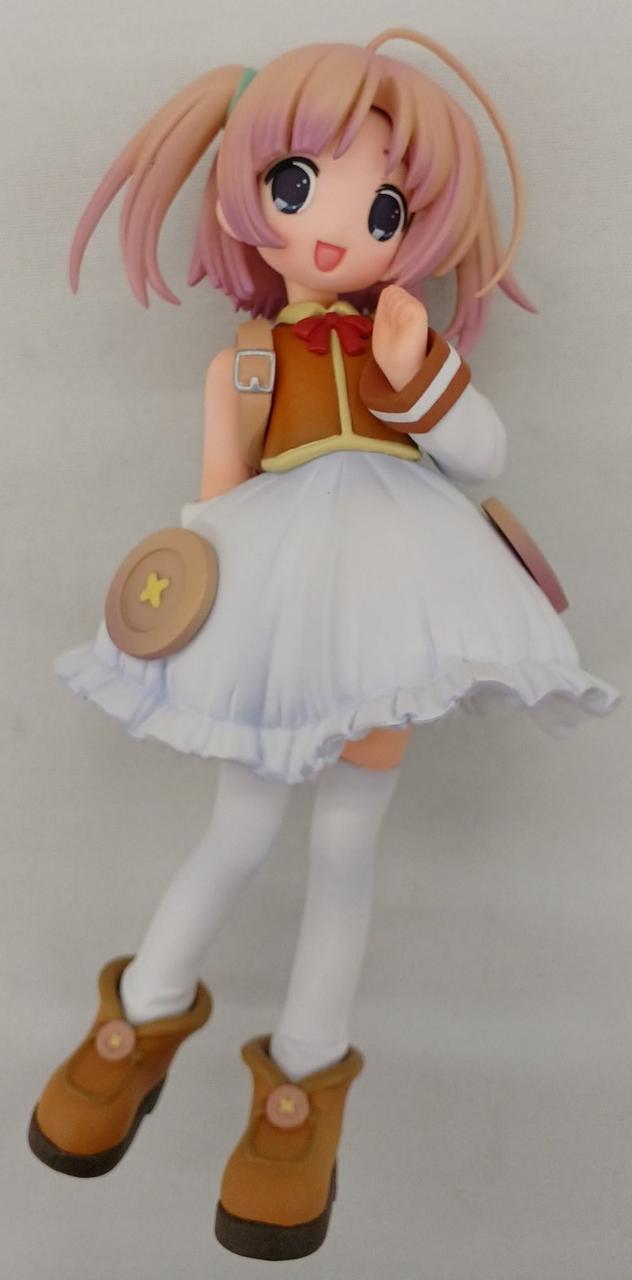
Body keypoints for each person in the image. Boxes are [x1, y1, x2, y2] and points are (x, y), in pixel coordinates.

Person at [28, 28, 621, 1261]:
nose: (338, 232)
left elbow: (480, 457)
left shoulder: (404, 343)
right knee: (240, 828)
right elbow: (218, 505)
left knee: (347, 842)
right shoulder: (246, 362)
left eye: (383, 208)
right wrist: (202, 636)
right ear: (244, 204)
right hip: (278, 606)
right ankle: (138, 1020)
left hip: (393, 603)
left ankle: (300, 1089)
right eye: (294, 187)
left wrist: (417, 374)